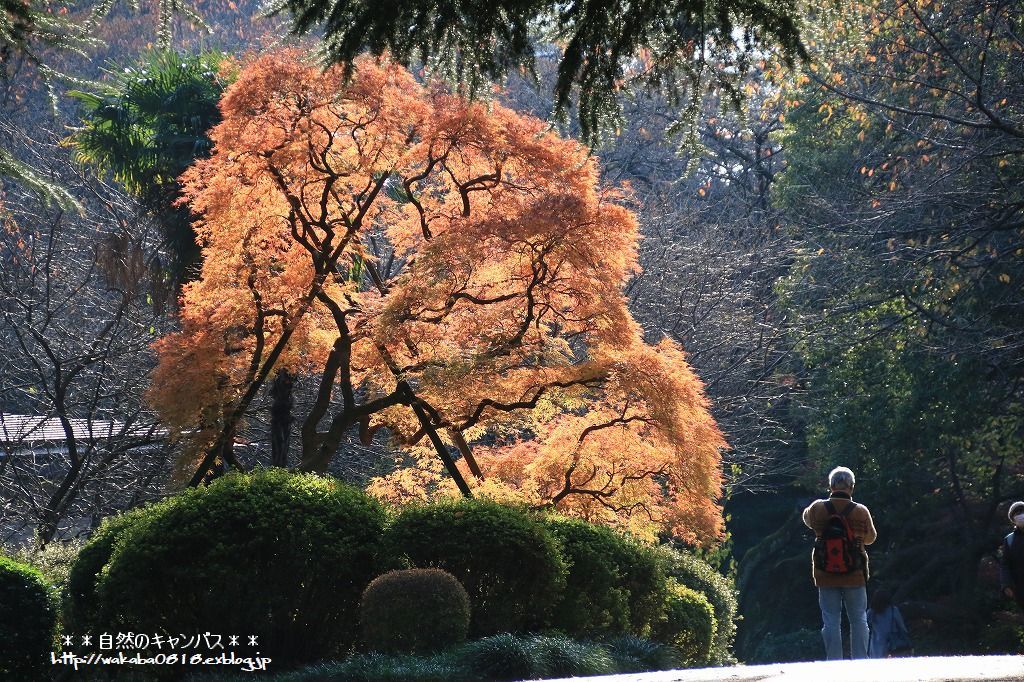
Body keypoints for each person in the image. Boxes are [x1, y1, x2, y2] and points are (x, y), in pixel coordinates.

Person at [802, 466, 877, 660]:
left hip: (824, 572)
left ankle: (834, 660)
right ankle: (860, 659)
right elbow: (871, 538)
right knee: (858, 619)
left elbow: (806, 520)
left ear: (831, 485)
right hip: (855, 572)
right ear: (851, 487)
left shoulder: (818, 508)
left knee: (831, 620)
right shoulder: (861, 511)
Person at [867, 588, 911, 657]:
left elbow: (867, 625)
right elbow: (901, 626)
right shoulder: (893, 610)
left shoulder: (871, 612)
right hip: (892, 642)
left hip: (875, 643)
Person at [999, 500, 1024, 609]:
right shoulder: (1009, 540)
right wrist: (1006, 585)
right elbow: (1005, 564)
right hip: (1021, 589)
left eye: (1023, 511)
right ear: (1013, 520)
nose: (1021, 515)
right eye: (1017, 513)